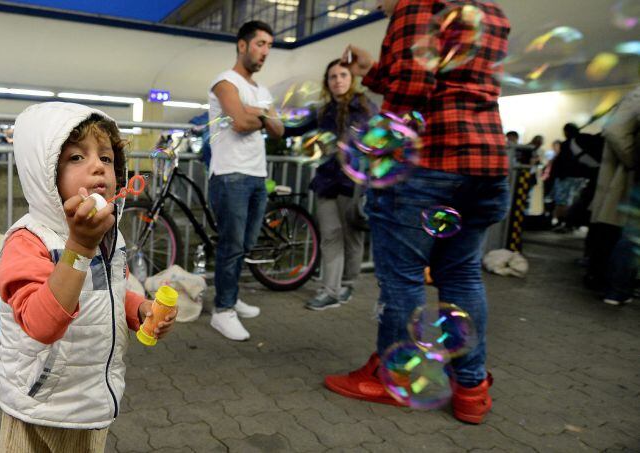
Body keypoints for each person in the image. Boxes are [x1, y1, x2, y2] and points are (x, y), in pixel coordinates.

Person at [329, 0, 510, 424]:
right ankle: (471, 388)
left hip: (431, 166)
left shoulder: (415, 4)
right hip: (486, 163)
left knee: (403, 277)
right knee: (462, 274)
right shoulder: (491, 11)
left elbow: (411, 91)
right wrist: (372, 70)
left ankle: (395, 377)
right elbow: (444, 76)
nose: (376, 4)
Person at [0, 102, 176, 452]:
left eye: (106, 159)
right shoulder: (28, 241)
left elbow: (111, 290)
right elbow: (41, 324)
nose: (97, 167)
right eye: (77, 158)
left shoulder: (109, 234)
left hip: (91, 401)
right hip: (39, 409)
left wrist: (140, 312)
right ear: (44, 174)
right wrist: (79, 246)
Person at [206, 21, 284, 341]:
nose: (265, 51)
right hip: (230, 175)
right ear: (242, 45)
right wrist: (261, 116)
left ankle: (232, 295)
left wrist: (260, 115)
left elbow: (280, 131)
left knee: (246, 245)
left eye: (269, 46)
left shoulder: (263, 92)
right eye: (260, 44)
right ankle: (222, 310)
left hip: (256, 176)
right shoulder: (224, 82)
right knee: (232, 244)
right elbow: (239, 122)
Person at [284, 59, 377, 310]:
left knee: (353, 238)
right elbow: (291, 129)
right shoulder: (322, 111)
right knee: (330, 235)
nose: (338, 80)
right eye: (333, 76)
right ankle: (330, 290)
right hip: (327, 182)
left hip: (354, 183)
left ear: (351, 78)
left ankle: (348, 283)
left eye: (343, 75)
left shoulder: (366, 107)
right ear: (328, 82)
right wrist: (265, 120)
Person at [586, 86, 640, 302]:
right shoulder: (637, 95)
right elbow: (615, 131)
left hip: (627, 177)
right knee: (624, 234)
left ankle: (614, 286)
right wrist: (632, 160)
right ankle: (615, 288)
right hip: (625, 177)